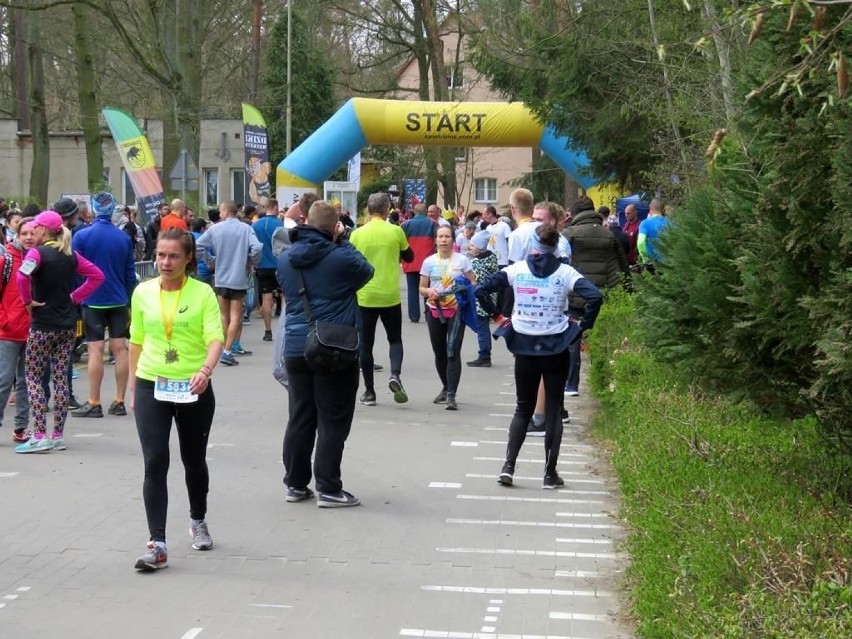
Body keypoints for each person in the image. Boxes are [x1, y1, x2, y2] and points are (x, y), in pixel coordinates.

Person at [476, 226, 603, 489]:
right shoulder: (566, 272)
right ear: (557, 246)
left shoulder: (517, 269)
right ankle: (549, 474)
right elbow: (595, 296)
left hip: (523, 343)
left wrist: (497, 316)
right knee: (554, 410)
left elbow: (480, 290)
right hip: (556, 345)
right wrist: (582, 326)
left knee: (523, 407)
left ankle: (508, 467)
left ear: (533, 245)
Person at [128, 228, 224, 571]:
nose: (165, 262)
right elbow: (136, 341)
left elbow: (216, 337)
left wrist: (206, 370)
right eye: (160, 255)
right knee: (155, 461)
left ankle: (198, 518)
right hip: (152, 382)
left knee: (193, 460)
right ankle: (157, 543)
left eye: (173, 256)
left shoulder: (203, 293)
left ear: (188, 259)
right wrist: (131, 386)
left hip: (193, 386)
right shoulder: (142, 293)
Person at [277, 200, 374, 508]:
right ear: (335, 227)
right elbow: (366, 271)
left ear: (305, 222)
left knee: (300, 416)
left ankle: (295, 483)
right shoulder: (340, 258)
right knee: (333, 419)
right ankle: (329, 488)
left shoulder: (285, 259)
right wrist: (342, 240)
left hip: (295, 345)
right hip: (334, 346)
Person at [15, 211, 104, 453]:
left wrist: (27, 302)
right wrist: (74, 297)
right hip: (66, 326)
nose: (33, 233)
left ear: (44, 230)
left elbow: (22, 277)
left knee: (33, 377)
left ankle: (40, 434)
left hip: (42, 325)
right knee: (60, 378)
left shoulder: (37, 253)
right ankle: (57, 435)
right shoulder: (70, 255)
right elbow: (97, 276)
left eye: (36, 229)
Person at [70, 192, 137, 419]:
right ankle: (119, 401)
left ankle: (94, 401)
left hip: (92, 300)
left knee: (95, 349)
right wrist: (129, 299)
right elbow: (130, 274)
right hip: (118, 299)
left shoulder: (81, 236)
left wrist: (77, 296)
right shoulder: (123, 238)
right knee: (120, 349)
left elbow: (76, 270)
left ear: (93, 209)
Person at [349, 192, 414, 406]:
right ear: (387, 210)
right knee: (394, 339)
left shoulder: (357, 234)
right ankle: (395, 374)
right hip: (390, 296)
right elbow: (409, 257)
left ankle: (369, 392)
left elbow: (351, 261)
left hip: (365, 296)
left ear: (368, 210)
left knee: (365, 345)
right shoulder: (396, 231)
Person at [561, 196, 629, 396]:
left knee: (573, 338)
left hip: (576, 292)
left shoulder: (569, 234)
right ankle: (604, 383)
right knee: (601, 338)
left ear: (575, 213)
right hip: (602, 293)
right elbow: (622, 265)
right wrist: (627, 290)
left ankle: (571, 385)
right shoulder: (609, 235)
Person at [196, 200, 262, 366]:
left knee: (223, 316)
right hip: (238, 278)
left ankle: (223, 348)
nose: (219, 214)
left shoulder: (215, 229)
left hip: (221, 277)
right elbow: (257, 248)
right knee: (235, 317)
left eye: (221, 211)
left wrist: (211, 261)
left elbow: (197, 246)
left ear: (225, 211)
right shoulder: (246, 229)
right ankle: (227, 351)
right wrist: (250, 262)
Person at [419, 225, 476, 410]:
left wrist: (463, 288)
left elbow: (473, 281)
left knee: (453, 351)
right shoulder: (428, 262)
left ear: (453, 239)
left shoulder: (462, 261)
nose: (443, 240)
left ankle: (451, 394)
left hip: (456, 311)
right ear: (435, 240)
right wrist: (428, 291)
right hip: (434, 310)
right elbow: (421, 288)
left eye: (447, 236)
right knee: (440, 352)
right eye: (440, 236)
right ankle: (446, 386)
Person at [0, 217, 36, 443]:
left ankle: (21, 428)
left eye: (33, 233)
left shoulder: (42, 259)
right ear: (18, 234)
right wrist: (3, 319)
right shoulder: (7, 261)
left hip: (34, 331)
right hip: (8, 331)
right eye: (25, 234)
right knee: (3, 380)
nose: (29, 238)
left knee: (26, 382)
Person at [466, 230, 499, 368]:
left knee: (482, 327)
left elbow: (474, 279)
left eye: (472, 246)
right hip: (490, 297)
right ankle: (485, 354)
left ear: (479, 247)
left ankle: (484, 355)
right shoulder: (492, 258)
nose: (470, 248)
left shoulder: (477, 262)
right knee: (484, 324)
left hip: (480, 299)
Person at [252, 198, 283, 342]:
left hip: (262, 266)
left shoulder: (256, 225)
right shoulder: (281, 224)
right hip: (280, 265)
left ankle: (268, 331)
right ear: (275, 208)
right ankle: (285, 329)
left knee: (266, 297)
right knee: (285, 296)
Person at [401, 203, 436, 323]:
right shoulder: (432, 224)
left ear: (414, 212)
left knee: (412, 290)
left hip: (410, 262)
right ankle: (429, 314)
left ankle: (414, 316)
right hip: (427, 263)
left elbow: (401, 243)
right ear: (426, 211)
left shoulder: (405, 225)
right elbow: (435, 242)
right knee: (428, 289)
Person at [637, 197, 670, 264]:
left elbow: (640, 242)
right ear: (663, 209)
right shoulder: (671, 222)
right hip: (668, 262)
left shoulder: (645, 223)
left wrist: (645, 259)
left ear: (650, 207)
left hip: (652, 263)